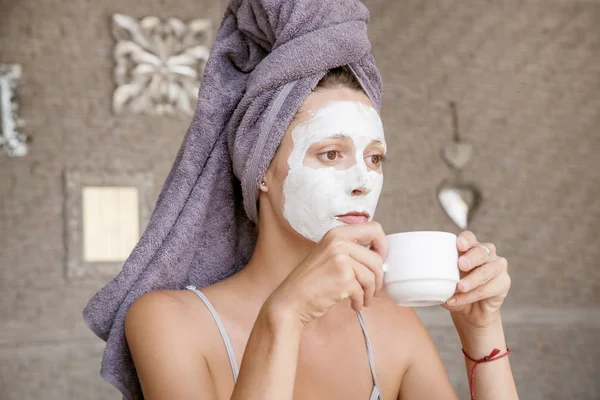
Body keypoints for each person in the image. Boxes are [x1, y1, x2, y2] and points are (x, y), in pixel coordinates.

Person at [124, 67, 518, 400]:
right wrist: (284, 315)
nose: (363, 181)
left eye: (374, 158)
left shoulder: (389, 319)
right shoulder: (168, 322)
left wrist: (483, 332)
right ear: (261, 170)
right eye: (331, 153)